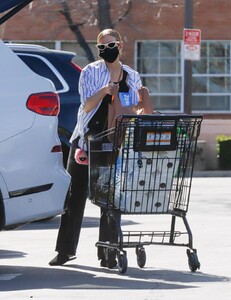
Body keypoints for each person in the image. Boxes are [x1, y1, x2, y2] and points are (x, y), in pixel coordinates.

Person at [49, 28, 153, 267]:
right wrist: (105, 90)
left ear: (121, 46)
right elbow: (86, 106)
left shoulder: (132, 76)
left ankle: (107, 252)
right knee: (76, 194)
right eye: (102, 47)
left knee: (109, 198)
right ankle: (65, 251)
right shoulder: (90, 72)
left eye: (111, 45)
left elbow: (134, 108)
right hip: (86, 139)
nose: (107, 50)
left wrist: (139, 107)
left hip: (113, 142)